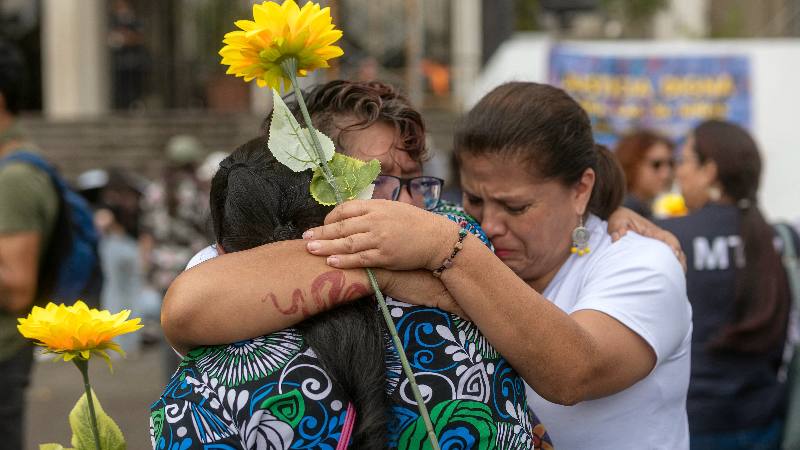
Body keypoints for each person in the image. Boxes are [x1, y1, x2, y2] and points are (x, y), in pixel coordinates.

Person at [161, 80, 687, 449]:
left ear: (581, 191)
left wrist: (441, 251)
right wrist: (392, 267)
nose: (490, 223)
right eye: (475, 200)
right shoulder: (280, 255)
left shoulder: (636, 262)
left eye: (517, 207)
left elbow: (574, 373)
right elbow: (187, 308)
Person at [151, 136, 552, 449]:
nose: (408, 203)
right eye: (382, 182)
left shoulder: (199, 395)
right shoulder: (467, 318)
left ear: (220, 251)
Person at [657, 120, 790, 449]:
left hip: (692, 422)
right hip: (765, 421)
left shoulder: (669, 238)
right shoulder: (779, 239)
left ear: (710, 171)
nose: (678, 173)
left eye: (684, 161)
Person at [614, 129, 675, 219]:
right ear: (632, 164)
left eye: (671, 164)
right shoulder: (625, 211)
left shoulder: (638, 207)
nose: (666, 174)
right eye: (656, 164)